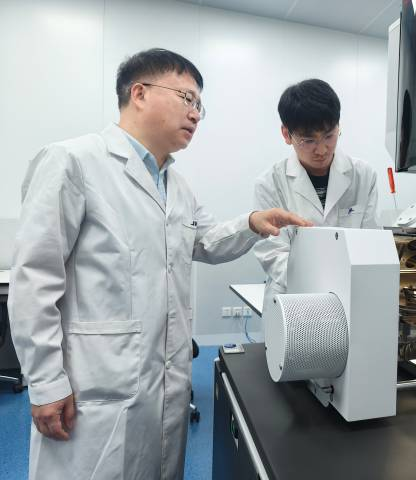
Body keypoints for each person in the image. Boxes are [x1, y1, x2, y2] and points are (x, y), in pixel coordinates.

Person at [8, 48, 311, 480]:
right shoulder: (74, 162)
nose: (196, 114)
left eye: (200, 105)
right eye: (187, 98)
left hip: (164, 382)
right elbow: (34, 280)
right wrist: (45, 382)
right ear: (139, 93)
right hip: (94, 386)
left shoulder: (177, 185)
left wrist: (251, 223)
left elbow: (205, 242)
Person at [253, 79, 379, 311]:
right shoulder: (270, 184)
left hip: (351, 299)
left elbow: (370, 243)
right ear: (286, 134)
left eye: (329, 136)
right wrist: (323, 285)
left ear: (338, 126)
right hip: (293, 301)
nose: (321, 150)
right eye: (308, 140)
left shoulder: (363, 176)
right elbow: (273, 253)